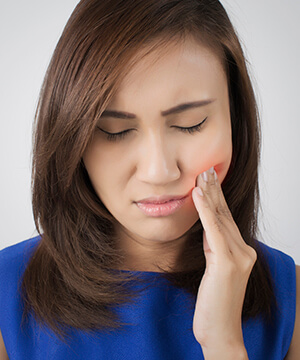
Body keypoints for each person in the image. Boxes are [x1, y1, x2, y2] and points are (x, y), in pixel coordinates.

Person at [0, 0, 299, 359]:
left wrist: (224, 343)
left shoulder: (291, 297)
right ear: (71, 137)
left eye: (191, 124)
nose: (159, 172)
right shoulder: (6, 295)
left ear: (235, 118)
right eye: (115, 131)